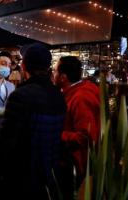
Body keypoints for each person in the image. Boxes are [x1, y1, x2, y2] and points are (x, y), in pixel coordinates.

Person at [0, 43, 66, 200]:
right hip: (50, 176)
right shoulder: (58, 96)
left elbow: (7, 144)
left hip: (23, 180)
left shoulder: (20, 96)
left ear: (23, 65)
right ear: (48, 67)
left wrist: (0, 177)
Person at [53, 56, 100, 199]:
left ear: (63, 77)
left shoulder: (81, 97)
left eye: (55, 71)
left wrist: (57, 134)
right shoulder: (78, 91)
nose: (52, 74)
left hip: (79, 167)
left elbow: (86, 136)